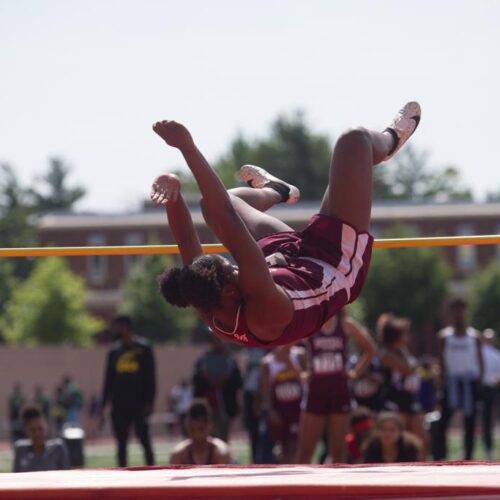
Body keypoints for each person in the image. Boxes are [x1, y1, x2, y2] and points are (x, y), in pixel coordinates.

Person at [151, 102, 421, 348]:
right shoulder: (262, 311)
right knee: (354, 140)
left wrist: (172, 193)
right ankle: (390, 140)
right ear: (232, 290)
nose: (234, 264)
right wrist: (187, 146)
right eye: (231, 267)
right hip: (333, 263)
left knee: (210, 205)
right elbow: (228, 218)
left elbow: (187, 240)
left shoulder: (206, 297)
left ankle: (277, 190)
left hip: (291, 261)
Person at [296, 311, 376, 463]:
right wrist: (301, 373)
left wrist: (355, 373)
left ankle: (338, 486)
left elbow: (370, 348)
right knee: (306, 451)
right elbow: (284, 351)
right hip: (316, 391)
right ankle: (300, 486)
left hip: (339, 391)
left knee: (338, 452)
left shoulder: (346, 324)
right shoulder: (312, 322)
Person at [101, 314, 156, 467]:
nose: (114, 330)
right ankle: (122, 474)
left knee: (144, 439)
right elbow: (108, 380)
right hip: (119, 405)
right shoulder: (114, 351)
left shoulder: (144, 348)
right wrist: (104, 404)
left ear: (125, 327)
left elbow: (151, 378)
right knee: (121, 443)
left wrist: (149, 401)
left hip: (139, 403)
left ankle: (153, 470)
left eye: (117, 326)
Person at [435, 298, 483, 461]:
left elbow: (479, 360)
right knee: (444, 420)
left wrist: (479, 380)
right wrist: (441, 381)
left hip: (469, 382)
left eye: (462, 311)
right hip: (452, 382)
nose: (459, 315)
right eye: (455, 311)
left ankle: (468, 455)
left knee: (470, 421)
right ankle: (440, 454)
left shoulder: (474, 336)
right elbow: (440, 360)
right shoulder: (444, 337)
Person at [377, 313, 429, 458]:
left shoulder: (404, 352)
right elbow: (407, 369)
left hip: (410, 398)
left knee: (422, 440)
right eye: (404, 334)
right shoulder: (386, 354)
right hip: (394, 400)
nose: (408, 337)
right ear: (396, 336)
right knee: (398, 441)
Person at [260, 344, 307, 463]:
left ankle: (299, 474)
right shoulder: (267, 363)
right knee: (282, 447)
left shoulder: (300, 355)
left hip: (298, 409)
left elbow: (307, 382)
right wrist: (270, 411)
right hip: (280, 410)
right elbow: (266, 391)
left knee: (297, 445)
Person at [192, 336, 242, 442]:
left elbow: (238, 381)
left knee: (223, 437)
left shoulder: (230, 360)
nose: (217, 343)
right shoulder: (203, 359)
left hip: (225, 404)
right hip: (207, 404)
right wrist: (207, 378)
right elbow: (195, 380)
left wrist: (226, 379)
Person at [169, 399, 232, 465]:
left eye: (205, 420)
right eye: (196, 420)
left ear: (210, 425)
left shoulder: (221, 452)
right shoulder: (179, 454)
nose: (200, 423)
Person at [13, 405, 70, 472]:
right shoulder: (21, 450)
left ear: (46, 427)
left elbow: (66, 477)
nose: (37, 434)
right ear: (26, 431)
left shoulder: (57, 449)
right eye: (33, 430)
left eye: (40, 429)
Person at [479, 329, 500, 460]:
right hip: (489, 389)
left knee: (485, 421)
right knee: (487, 420)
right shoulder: (496, 355)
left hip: (485, 389)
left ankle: (487, 448)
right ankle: (488, 449)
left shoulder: (494, 355)